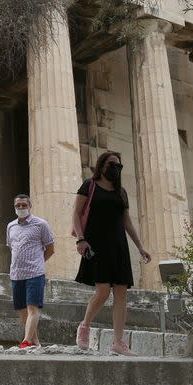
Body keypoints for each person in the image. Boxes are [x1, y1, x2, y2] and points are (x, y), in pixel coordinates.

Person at [71, 151, 152, 356]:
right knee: (103, 291)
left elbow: (127, 222)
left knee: (122, 293)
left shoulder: (121, 192)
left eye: (119, 165)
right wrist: (81, 239)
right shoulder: (89, 186)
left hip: (119, 245)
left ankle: (118, 342)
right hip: (97, 244)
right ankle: (85, 325)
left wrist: (140, 247)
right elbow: (76, 213)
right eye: (112, 164)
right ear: (102, 165)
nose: (116, 168)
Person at [6, 194, 54, 349]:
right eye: (17, 205)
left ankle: (26, 341)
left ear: (30, 206)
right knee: (22, 311)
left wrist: (38, 262)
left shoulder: (41, 224)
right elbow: (12, 248)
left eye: (23, 205)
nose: (21, 208)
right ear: (14, 207)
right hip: (16, 273)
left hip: (35, 273)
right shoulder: (10, 226)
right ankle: (36, 342)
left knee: (32, 308)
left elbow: (50, 249)